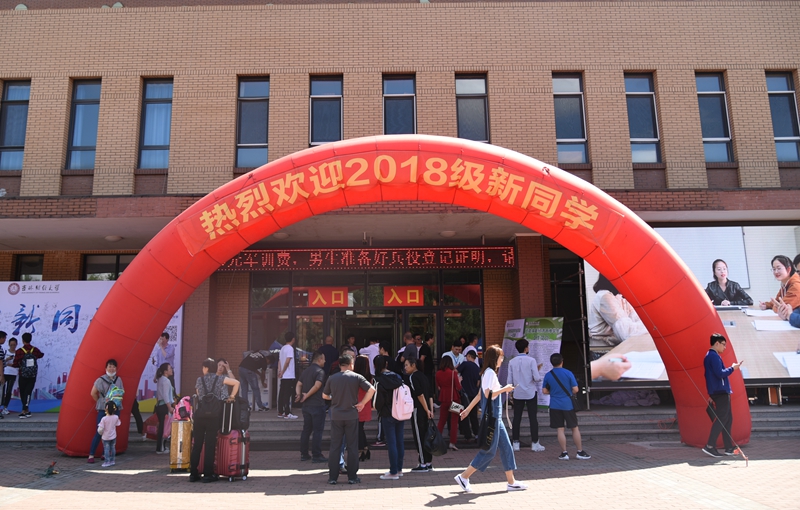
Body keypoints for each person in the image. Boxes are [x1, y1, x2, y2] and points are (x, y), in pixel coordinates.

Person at [454, 345, 527, 493]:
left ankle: (511, 482)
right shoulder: (490, 373)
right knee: (489, 451)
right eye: (501, 357)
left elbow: (480, 395)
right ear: (495, 358)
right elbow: (487, 394)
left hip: (494, 417)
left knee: (506, 447)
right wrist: (505, 389)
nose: (502, 359)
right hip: (493, 417)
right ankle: (464, 476)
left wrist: (467, 410)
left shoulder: (487, 373)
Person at [322, 354, 375, 485]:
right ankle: (352, 476)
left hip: (336, 415)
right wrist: (362, 403)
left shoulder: (332, 378)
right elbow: (371, 389)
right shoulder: (356, 377)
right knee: (352, 446)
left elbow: (324, 395)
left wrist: (333, 398)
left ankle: (333, 477)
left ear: (340, 364)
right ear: (351, 364)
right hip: (351, 415)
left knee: (335, 446)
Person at [190, 358, 239, 483]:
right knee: (210, 445)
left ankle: (193, 473)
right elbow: (236, 383)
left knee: (197, 445)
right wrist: (231, 397)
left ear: (206, 368)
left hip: (200, 415)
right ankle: (208, 474)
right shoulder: (220, 379)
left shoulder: (199, 380)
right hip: (213, 416)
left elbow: (198, 394)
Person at [542, 353, 590, 461]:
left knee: (560, 429)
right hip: (568, 405)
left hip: (554, 405)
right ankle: (579, 452)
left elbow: (544, 391)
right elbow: (576, 389)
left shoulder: (548, 375)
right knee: (574, 428)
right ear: (562, 361)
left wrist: (553, 392)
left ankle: (564, 453)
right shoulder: (568, 373)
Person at [702, 333, 743, 457]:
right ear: (717, 343)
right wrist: (732, 368)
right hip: (720, 392)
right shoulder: (713, 356)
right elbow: (720, 374)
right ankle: (710, 446)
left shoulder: (710, 356)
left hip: (718, 391)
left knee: (727, 419)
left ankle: (728, 447)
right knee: (722, 419)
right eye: (723, 344)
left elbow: (709, 376)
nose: (725, 347)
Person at [588, 274, 648, 352]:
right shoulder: (604, 296)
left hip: (617, 347)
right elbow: (626, 333)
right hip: (604, 351)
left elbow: (637, 319)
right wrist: (652, 327)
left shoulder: (621, 296)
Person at [507, 339, 545, 452]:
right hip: (530, 392)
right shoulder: (531, 360)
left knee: (516, 418)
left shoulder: (512, 362)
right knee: (533, 418)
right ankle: (535, 443)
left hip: (517, 393)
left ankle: (515, 443)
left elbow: (509, 380)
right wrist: (537, 371)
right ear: (526, 348)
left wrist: (510, 392)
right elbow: (537, 378)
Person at [373, 355, 406, 480]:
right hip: (400, 411)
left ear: (375, 365)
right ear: (386, 364)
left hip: (387, 412)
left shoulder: (378, 379)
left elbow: (378, 400)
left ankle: (393, 471)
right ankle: (399, 469)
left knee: (391, 442)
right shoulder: (397, 377)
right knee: (399, 441)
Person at [88, 359, 124, 463]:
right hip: (103, 409)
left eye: (114, 367)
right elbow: (93, 393)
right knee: (99, 431)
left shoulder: (119, 380)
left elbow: (121, 392)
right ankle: (91, 455)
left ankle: (105, 453)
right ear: (106, 368)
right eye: (110, 366)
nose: (112, 368)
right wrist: (102, 402)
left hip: (115, 409)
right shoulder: (100, 380)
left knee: (111, 431)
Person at [296, 351, 327, 463]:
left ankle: (304, 454)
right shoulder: (320, 371)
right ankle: (316, 455)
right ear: (319, 359)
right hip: (317, 405)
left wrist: (299, 394)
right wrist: (307, 395)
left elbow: (299, 384)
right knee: (317, 431)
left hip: (306, 406)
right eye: (324, 359)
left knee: (306, 430)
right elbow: (317, 386)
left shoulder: (306, 371)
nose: (325, 361)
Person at [406, 357, 434, 472]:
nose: (405, 367)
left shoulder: (413, 377)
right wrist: (430, 410)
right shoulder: (424, 376)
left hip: (418, 409)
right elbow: (430, 395)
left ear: (414, 365)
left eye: (407, 365)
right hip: (426, 410)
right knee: (426, 436)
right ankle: (429, 462)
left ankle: (423, 463)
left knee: (419, 436)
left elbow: (420, 394)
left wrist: (427, 410)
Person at [13, 332, 44, 419]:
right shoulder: (35, 350)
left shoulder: (19, 351)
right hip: (32, 375)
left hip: (22, 374)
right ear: (30, 339)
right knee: (28, 392)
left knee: (23, 392)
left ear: (23, 340)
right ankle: (26, 410)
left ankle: (24, 410)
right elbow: (41, 355)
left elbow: (15, 363)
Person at [435, 355, 462, 450]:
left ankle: (437, 441)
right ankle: (452, 443)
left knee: (441, 421)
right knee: (454, 421)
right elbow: (458, 387)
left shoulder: (438, 373)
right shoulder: (453, 373)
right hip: (454, 398)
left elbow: (438, 387)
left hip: (443, 398)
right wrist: (460, 381)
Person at [457, 350, 481, 441]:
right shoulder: (477, 368)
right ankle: (477, 433)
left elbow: (455, 372)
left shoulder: (465, 364)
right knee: (473, 415)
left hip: (464, 393)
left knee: (464, 413)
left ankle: (467, 434)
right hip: (474, 394)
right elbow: (478, 383)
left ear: (469, 356)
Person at [353, 355, 373, 461]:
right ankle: (365, 449)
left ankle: (362, 450)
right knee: (360, 428)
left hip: (358, 404)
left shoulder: (356, 377)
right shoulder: (369, 376)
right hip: (365, 403)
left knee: (358, 428)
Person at [154, 363, 175, 454]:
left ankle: (160, 447)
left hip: (160, 405)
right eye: (170, 368)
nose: (171, 370)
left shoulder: (160, 379)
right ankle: (160, 448)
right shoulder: (166, 381)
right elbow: (166, 396)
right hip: (164, 406)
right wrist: (170, 407)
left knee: (162, 427)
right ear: (165, 371)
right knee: (164, 427)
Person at [278, 331, 298, 419]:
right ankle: (287, 412)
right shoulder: (290, 348)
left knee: (282, 393)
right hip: (288, 375)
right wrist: (283, 371)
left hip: (283, 376)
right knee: (287, 394)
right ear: (293, 339)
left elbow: (279, 361)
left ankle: (280, 411)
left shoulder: (282, 348)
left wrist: (280, 371)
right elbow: (287, 361)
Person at [96, 401, 122, 467]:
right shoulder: (116, 417)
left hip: (105, 436)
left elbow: (100, 429)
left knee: (106, 449)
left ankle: (107, 461)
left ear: (106, 409)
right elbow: (118, 424)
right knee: (113, 448)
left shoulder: (104, 419)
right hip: (113, 436)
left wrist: (100, 433)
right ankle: (112, 460)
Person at [2, 336, 17, 416]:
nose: (12, 346)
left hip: (13, 374)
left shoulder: (17, 353)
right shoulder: (5, 352)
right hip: (5, 373)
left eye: (14, 345)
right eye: (11, 345)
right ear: (9, 345)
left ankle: (5, 407)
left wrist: (11, 364)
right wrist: (7, 360)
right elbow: (2, 362)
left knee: (8, 391)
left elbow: (18, 364)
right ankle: (1, 405)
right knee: (2, 390)